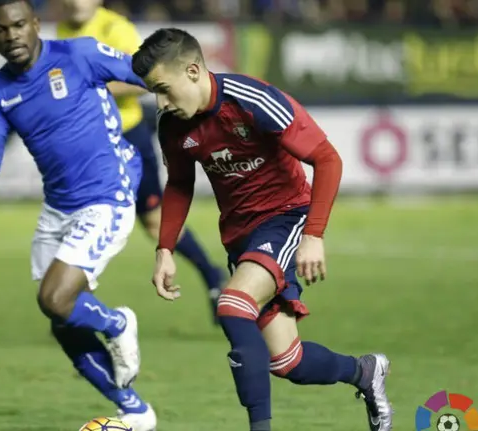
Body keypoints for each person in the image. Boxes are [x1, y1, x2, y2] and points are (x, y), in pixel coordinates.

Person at [134, 28, 392, 431]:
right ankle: (364, 372)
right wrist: (165, 248)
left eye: (165, 89)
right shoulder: (173, 124)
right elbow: (181, 183)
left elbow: (327, 159)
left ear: (194, 69)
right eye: (154, 93)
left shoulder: (251, 99)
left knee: (232, 304)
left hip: (287, 217)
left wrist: (313, 235)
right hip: (241, 237)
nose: (161, 102)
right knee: (287, 361)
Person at [0, 1, 156, 429]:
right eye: (1, 31)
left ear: (37, 25)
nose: (12, 36)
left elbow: (147, 73)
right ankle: (135, 412)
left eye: (20, 25)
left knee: (55, 298)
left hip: (108, 195)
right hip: (58, 209)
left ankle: (117, 322)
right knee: (62, 322)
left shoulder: (78, 55)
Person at [57, 0, 226, 322]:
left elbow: (142, 79)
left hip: (126, 138)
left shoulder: (115, 28)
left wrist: (91, 88)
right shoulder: (64, 30)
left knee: (153, 221)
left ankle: (212, 276)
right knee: (81, 217)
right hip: (88, 143)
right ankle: (71, 304)